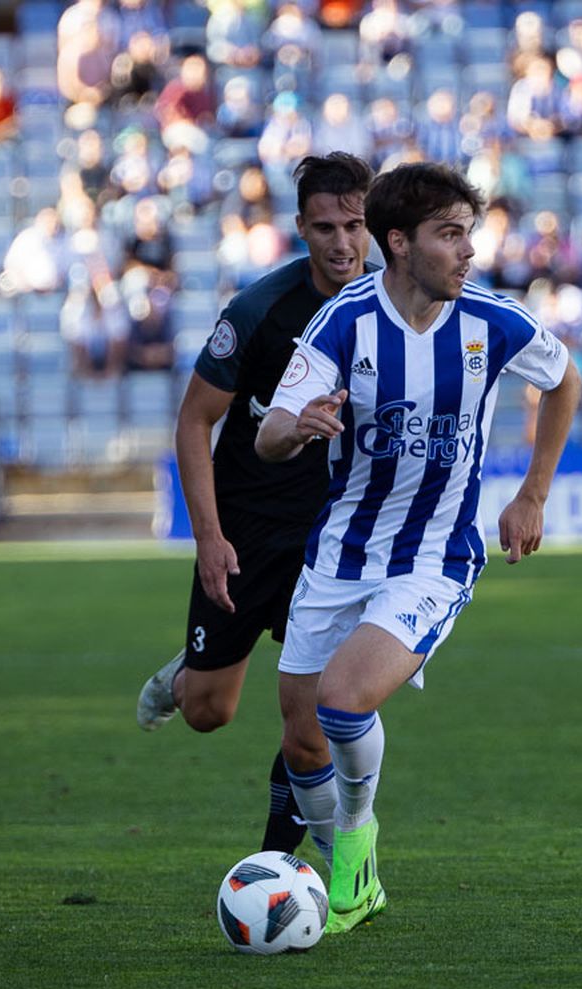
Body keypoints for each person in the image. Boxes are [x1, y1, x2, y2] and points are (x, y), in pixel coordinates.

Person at [254, 162, 581, 932]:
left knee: (342, 698)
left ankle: (356, 843)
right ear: (397, 242)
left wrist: (533, 492)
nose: (469, 251)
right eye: (451, 234)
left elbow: (564, 380)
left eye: (470, 232)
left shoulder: (491, 321)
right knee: (300, 739)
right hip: (340, 553)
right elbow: (270, 430)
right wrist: (296, 427)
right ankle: (346, 870)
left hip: (436, 555)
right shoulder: (345, 321)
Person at [133, 153, 376, 862]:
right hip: (245, 529)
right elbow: (192, 420)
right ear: (300, 227)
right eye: (325, 226)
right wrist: (207, 539)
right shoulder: (258, 312)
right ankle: (186, 675)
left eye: (355, 225)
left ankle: (284, 862)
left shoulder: (390, 310)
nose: (341, 243)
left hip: (329, 538)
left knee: (313, 716)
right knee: (211, 712)